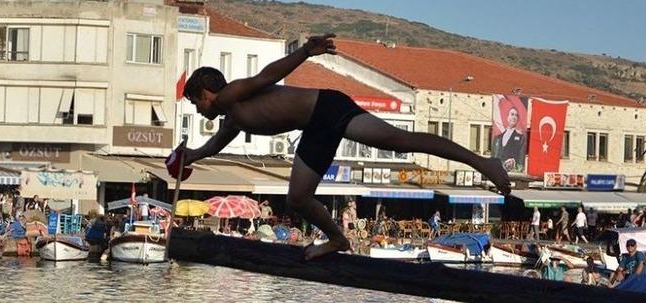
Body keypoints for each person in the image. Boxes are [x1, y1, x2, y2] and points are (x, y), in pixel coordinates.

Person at [168, 33, 510, 260]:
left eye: (197, 104)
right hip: (315, 127)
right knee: (297, 198)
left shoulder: (230, 96)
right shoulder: (233, 117)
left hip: (328, 108)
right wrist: (192, 156)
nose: (199, 110)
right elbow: (216, 143)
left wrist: (304, 52)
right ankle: (337, 239)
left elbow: (267, 76)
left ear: (207, 94)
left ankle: (483, 163)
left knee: (399, 140)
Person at [491, 105, 527, 173]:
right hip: (497, 172)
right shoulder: (497, 138)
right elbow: (493, 156)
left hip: (511, 173)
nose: (514, 117)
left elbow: (521, 159)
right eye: (512, 114)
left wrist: (513, 163)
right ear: (507, 117)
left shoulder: (521, 138)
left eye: (516, 115)